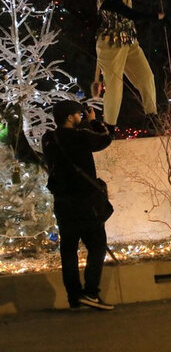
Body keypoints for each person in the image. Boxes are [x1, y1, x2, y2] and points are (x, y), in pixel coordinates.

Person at [42, 100, 114, 310]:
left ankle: (75, 296)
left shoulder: (49, 139)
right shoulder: (80, 136)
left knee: (69, 249)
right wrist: (93, 122)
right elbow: (105, 139)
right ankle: (91, 293)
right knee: (97, 244)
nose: (81, 117)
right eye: (78, 114)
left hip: (63, 203)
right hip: (84, 201)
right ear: (69, 117)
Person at [94, 0, 164, 133]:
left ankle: (152, 116)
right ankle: (108, 126)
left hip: (129, 40)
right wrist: (155, 16)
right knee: (115, 85)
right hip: (110, 44)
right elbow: (129, 13)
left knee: (146, 76)